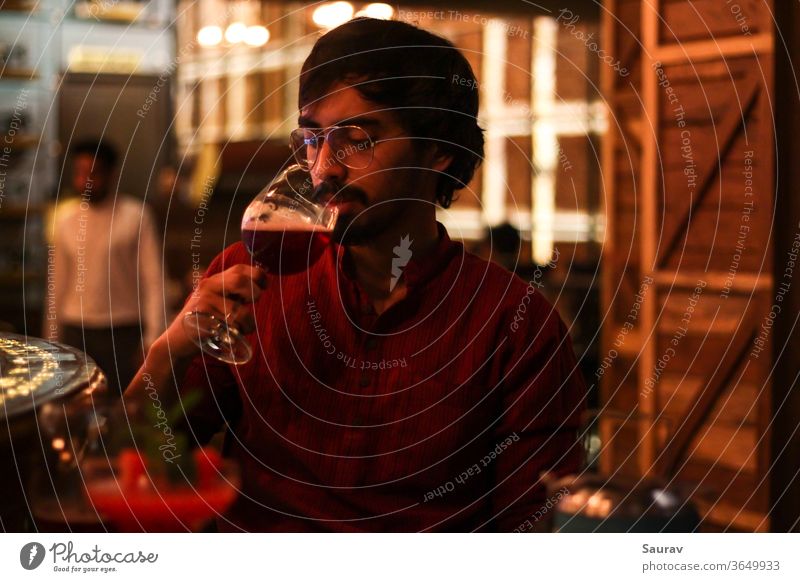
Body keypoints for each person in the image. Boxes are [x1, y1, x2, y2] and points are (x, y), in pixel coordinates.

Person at [127, 18, 585, 532]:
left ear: (438, 150)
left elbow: (536, 522)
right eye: (312, 139)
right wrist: (169, 352)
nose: (324, 167)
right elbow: (142, 454)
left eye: (358, 139)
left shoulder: (515, 322)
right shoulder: (248, 280)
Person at [50, 140, 165, 395]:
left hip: (123, 331)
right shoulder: (65, 220)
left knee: (123, 408)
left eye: (93, 173)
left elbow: (154, 280)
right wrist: (50, 341)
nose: (85, 181)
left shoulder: (137, 216)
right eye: (80, 173)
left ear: (111, 174)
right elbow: (56, 283)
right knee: (75, 409)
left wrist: (152, 336)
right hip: (75, 329)